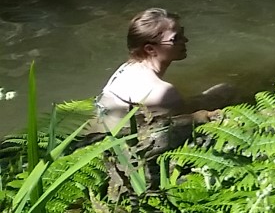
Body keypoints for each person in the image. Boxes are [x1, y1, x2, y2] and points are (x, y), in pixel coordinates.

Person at [95, 8, 233, 128]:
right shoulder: (161, 92)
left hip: (105, 127)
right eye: (175, 38)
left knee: (224, 90)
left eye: (182, 33)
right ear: (150, 49)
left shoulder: (126, 69)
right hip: (128, 147)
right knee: (228, 94)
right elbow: (181, 128)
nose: (185, 40)